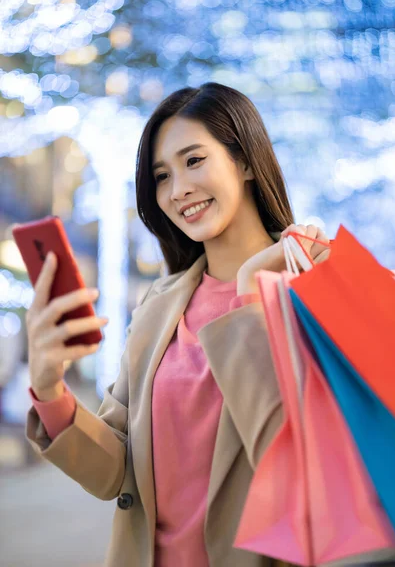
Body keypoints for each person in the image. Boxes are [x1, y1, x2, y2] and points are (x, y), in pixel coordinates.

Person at [26, 83, 332, 567]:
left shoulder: (312, 283)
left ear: (247, 161)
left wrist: (252, 287)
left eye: (193, 161)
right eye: (161, 175)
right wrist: (47, 386)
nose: (177, 190)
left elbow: (304, 463)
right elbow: (116, 473)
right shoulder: (159, 303)